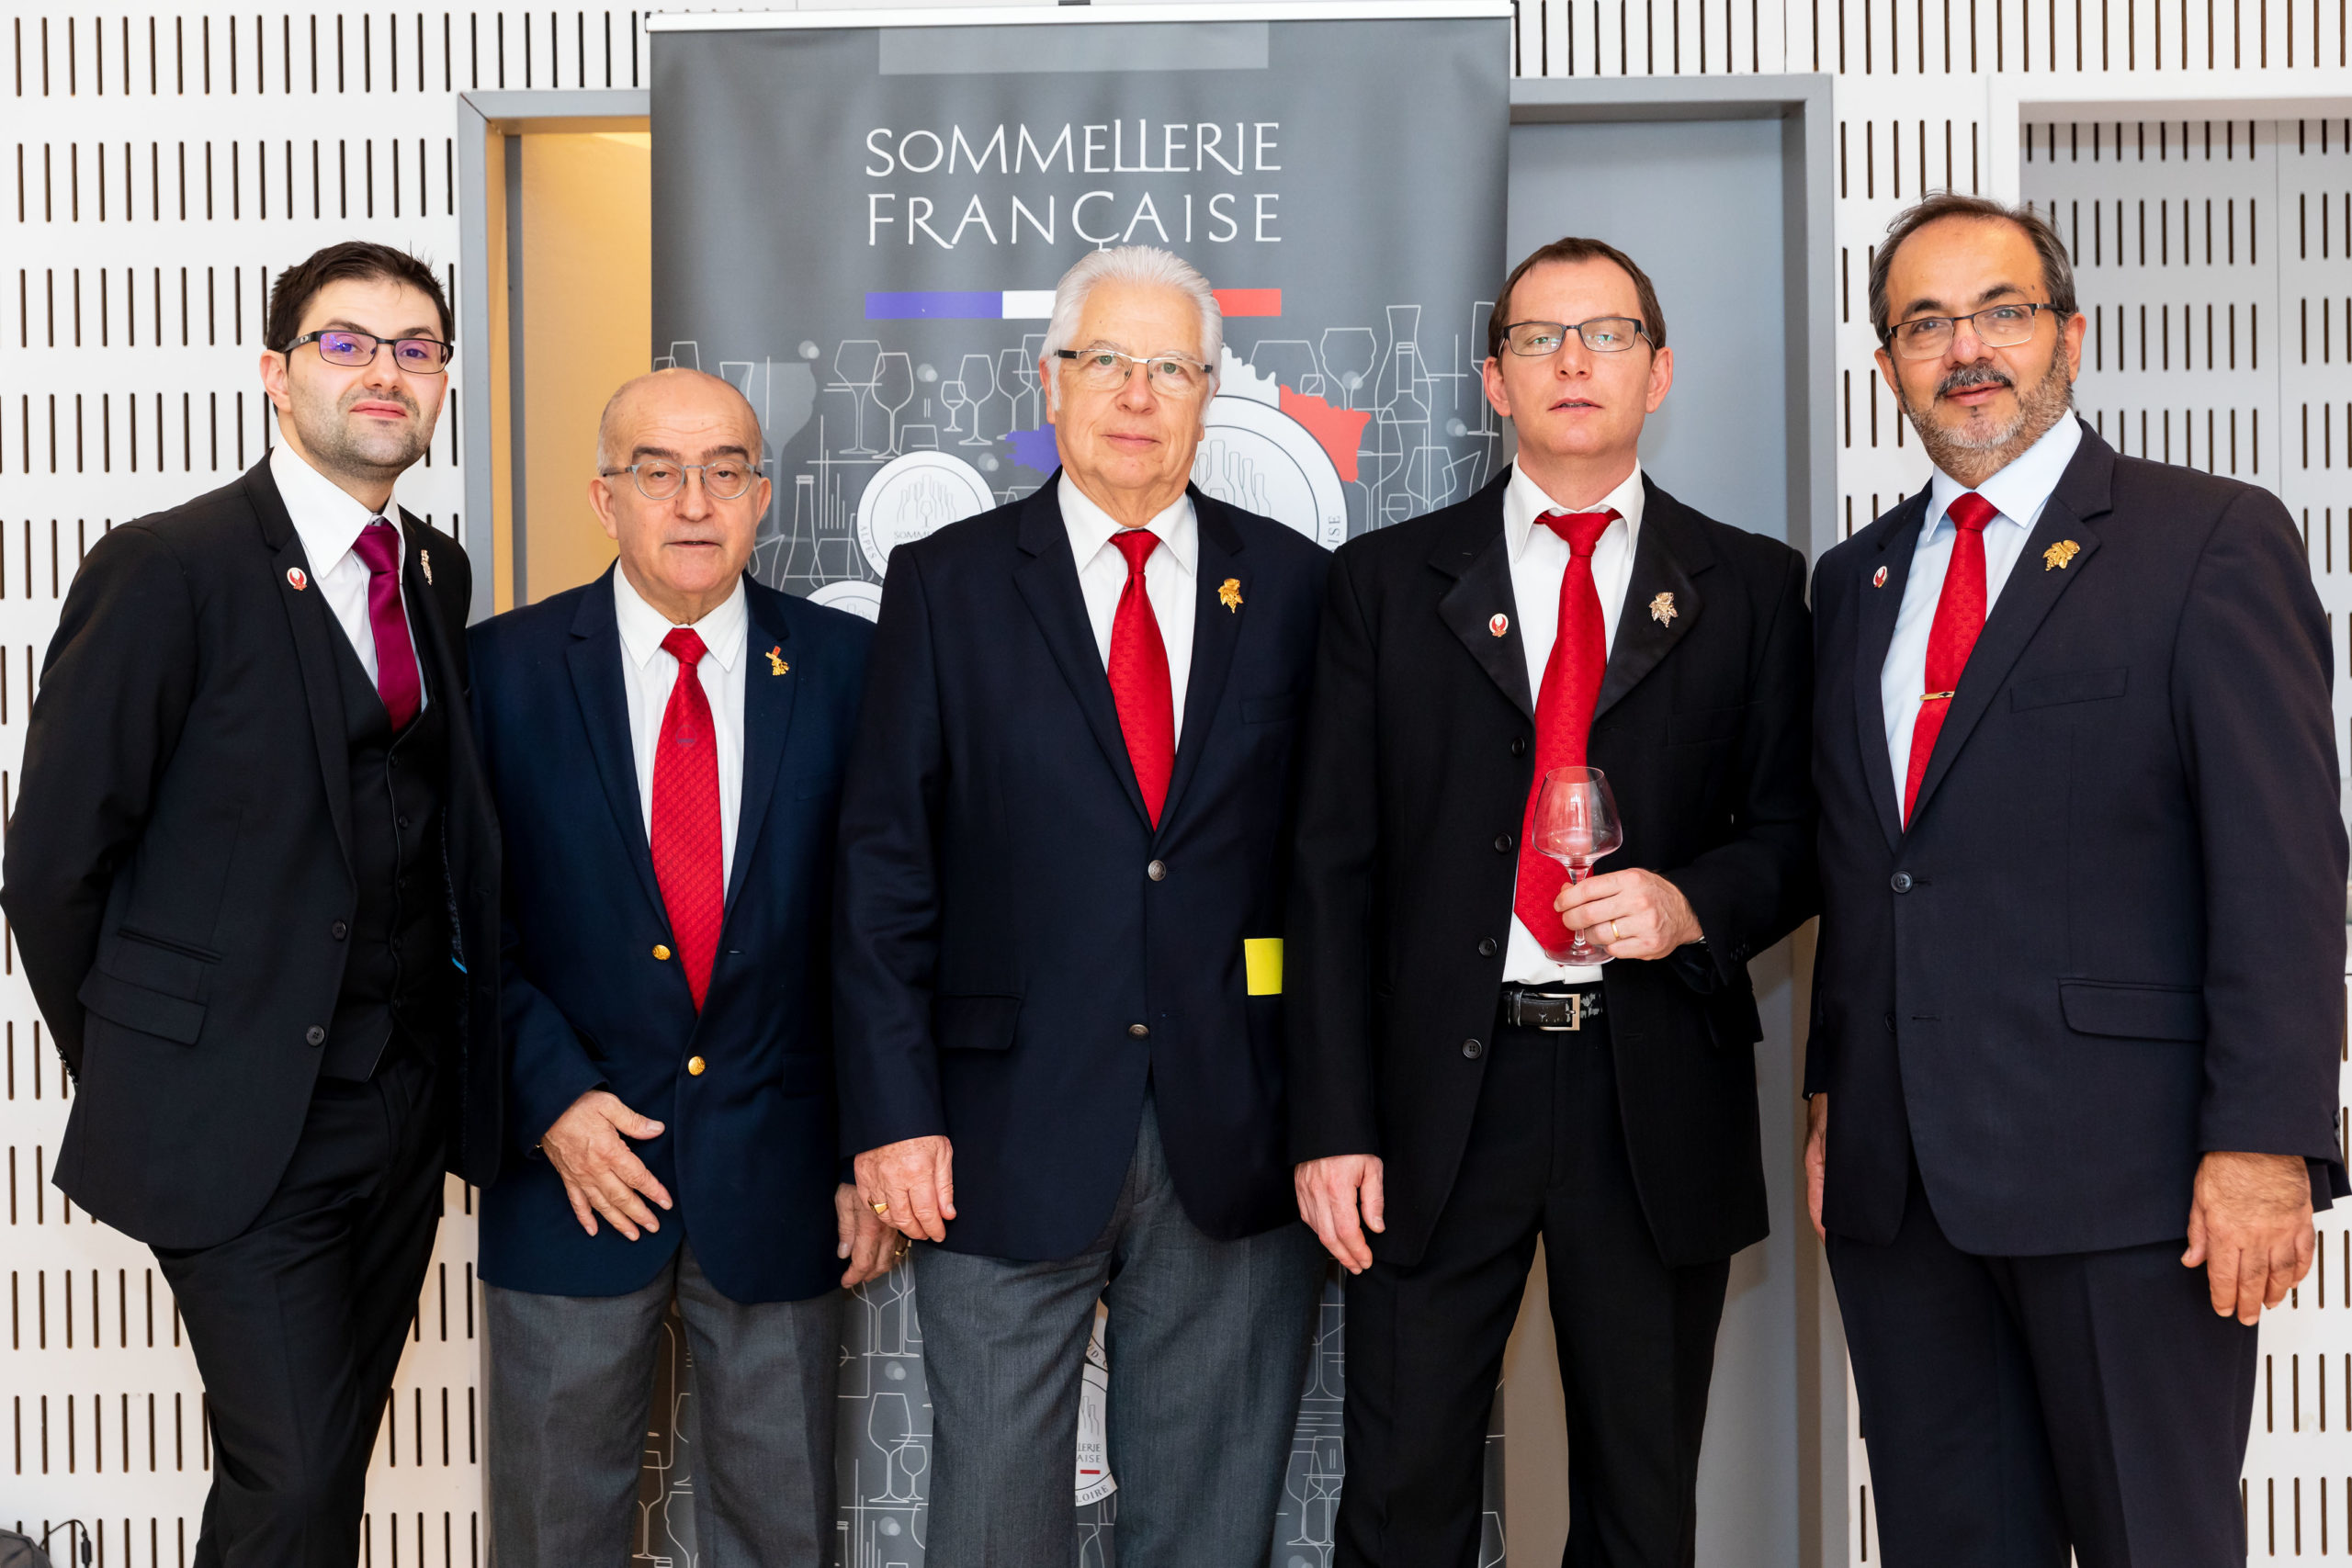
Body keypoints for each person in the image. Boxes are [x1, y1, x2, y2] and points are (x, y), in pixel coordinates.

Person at [1805, 191, 2347, 1567]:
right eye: (1925, 323)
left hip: (2131, 1185)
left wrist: (2267, 1143)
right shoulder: (1854, 584)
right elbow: (1872, 868)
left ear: (2071, 334)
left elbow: (2284, 866)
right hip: (1903, 1191)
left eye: (2001, 312)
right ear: (1889, 363)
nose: (1966, 349)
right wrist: (1832, 1095)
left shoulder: (2207, 540)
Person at [1285, 236, 1815, 1566]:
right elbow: (1329, 874)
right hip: (1433, 1105)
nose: (1574, 361)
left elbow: (1802, 836)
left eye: (1607, 334)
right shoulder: (1383, 584)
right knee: (1400, 1503)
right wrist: (1335, 1122)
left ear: (1660, 371)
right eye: (1539, 338)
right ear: (1494, 380)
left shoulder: (1753, 585)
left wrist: (1689, 905)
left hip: (1653, 1092)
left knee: (1641, 1511)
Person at [0, 242, 500, 1565]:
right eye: (347, 344)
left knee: (317, 1472)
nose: (385, 372)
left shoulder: (435, 573)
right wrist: (155, 1067)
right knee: (293, 1475)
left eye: (416, 349)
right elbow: (51, 867)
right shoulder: (168, 568)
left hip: (398, 1108)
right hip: (235, 1115)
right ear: (277, 374)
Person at [834, 245, 1330, 1565]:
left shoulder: (1295, 587)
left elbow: (1329, 876)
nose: (1137, 393)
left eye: (1171, 367)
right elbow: (884, 870)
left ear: (1210, 393)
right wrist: (892, 1116)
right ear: (1048, 381)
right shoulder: (946, 584)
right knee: (993, 1527)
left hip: (1235, 1127)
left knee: (1210, 1533)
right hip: (994, 1132)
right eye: (1105, 360)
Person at [469, 368, 894, 1565]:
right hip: (568, 1175)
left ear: (764, 494)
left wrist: (867, 1145)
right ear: (605, 498)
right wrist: (548, 1099)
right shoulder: (496, 673)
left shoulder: (854, 669)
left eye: (725, 470)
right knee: (555, 1537)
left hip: (786, 1176)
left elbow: (883, 933)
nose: (694, 501)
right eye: (658, 471)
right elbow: (453, 925)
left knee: (780, 1535)